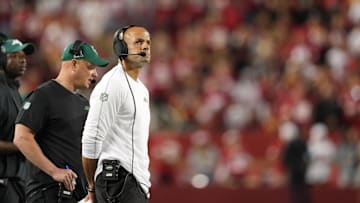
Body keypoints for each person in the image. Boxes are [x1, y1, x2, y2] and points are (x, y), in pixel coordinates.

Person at [13, 40, 109, 203]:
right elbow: (21, 137)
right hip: (48, 192)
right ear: (74, 64)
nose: (95, 74)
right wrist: (54, 171)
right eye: (90, 67)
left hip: (78, 195)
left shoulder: (83, 103)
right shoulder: (43, 95)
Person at [82, 25, 151, 203]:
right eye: (138, 42)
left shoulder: (142, 89)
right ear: (121, 48)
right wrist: (91, 186)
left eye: (148, 42)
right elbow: (91, 138)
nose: (145, 47)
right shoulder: (112, 84)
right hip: (118, 181)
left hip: (133, 182)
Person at [0, 34, 35, 203]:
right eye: (14, 56)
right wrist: (20, 145)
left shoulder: (14, 90)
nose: (22, 60)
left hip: (16, 179)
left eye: (23, 56)